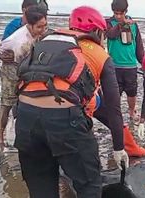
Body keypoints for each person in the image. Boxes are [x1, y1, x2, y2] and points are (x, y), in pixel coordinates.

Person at [14, 6, 129, 197]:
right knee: (89, 185)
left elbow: (24, 81)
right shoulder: (100, 54)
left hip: (25, 119)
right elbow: (113, 109)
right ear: (98, 32)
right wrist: (118, 147)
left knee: (41, 189)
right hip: (64, 120)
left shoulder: (45, 41)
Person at [0, 5, 48, 148]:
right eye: (39, 27)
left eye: (45, 25)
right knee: (7, 104)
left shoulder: (41, 33)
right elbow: (0, 50)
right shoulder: (18, 40)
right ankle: (0, 139)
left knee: (27, 102)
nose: (43, 30)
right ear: (29, 25)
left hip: (28, 68)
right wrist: (1, 55)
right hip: (11, 70)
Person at [106, 0, 144, 122]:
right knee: (115, 93)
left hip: (130, 65)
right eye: (115, 13)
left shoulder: (133, 25)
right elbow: (111, 35)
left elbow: (139, 45)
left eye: (120, 13)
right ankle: (114, 114)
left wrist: (144, 62)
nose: (118, 16)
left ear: (126, 11)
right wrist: (121, 24)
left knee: (132, 92)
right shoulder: (108, 23)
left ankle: (132, 111)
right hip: (114, 66)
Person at [85, 88, 145, 157]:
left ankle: (130, 148)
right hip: (83, 99)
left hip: (90, 96)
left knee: (110, 115)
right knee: (111, 115)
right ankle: (130, 148)